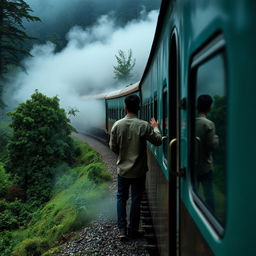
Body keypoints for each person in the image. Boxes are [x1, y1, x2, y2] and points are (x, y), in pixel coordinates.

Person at [109, 94, 162, 241]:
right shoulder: (144, 125)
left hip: (123, 170)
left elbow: (113, 147)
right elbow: (158, 141)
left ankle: (122, 230)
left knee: (121, 198)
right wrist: (156, 128)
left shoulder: (117, 125)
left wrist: (123, 156)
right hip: (138, 171)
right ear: (138, 108)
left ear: (125, 108)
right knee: (136, 199)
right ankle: (133, 230)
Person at [195, 94, 219, 211]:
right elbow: (212, 146)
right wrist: (216, 138)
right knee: (209, 193)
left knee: (194, 192)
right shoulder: (209, 124)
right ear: (209, 108)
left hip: (192, 165)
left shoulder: (189, 123)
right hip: (205, 166)